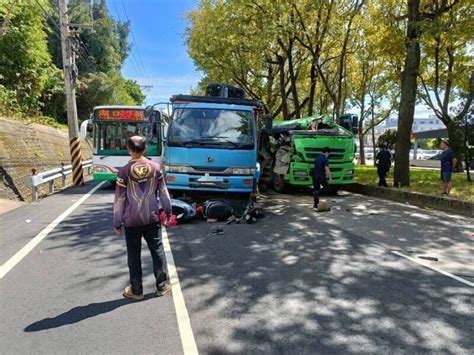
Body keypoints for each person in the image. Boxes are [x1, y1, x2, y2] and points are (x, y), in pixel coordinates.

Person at [114, 136, 172, 300]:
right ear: (145, 149)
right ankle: (161, 286)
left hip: (132, 221)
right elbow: (164, 193)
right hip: (152, 217)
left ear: (129, 149)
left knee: (134, 255)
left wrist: (117, 223)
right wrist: (168, 212)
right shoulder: (155, 168)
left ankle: (137, 290)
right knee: (157, 250)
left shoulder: (124, 172)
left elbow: (119, 200)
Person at [313, 147, 332, 211]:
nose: (328, 155)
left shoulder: (317, 158)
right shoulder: (325, 159)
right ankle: (318, 192)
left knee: (316, 189)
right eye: (328, 154)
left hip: (315, 176)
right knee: (327, 187)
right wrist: (330, 177)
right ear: (326, 152)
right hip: (321, 176)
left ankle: (315, 205)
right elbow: (327, 168)